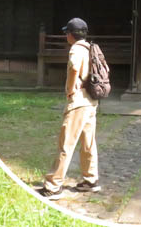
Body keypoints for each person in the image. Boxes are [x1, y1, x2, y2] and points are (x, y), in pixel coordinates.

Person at [38, 17, 100, 199]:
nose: (66, 35)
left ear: (71, 34)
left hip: (79, 100)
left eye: (67, 32)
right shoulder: (91, 48)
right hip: (91, 100)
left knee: (66, 143)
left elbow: (74, 68)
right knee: (88, 142)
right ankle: (90, 180)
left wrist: (71, 89)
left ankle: (53, 185)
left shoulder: (76, 49)